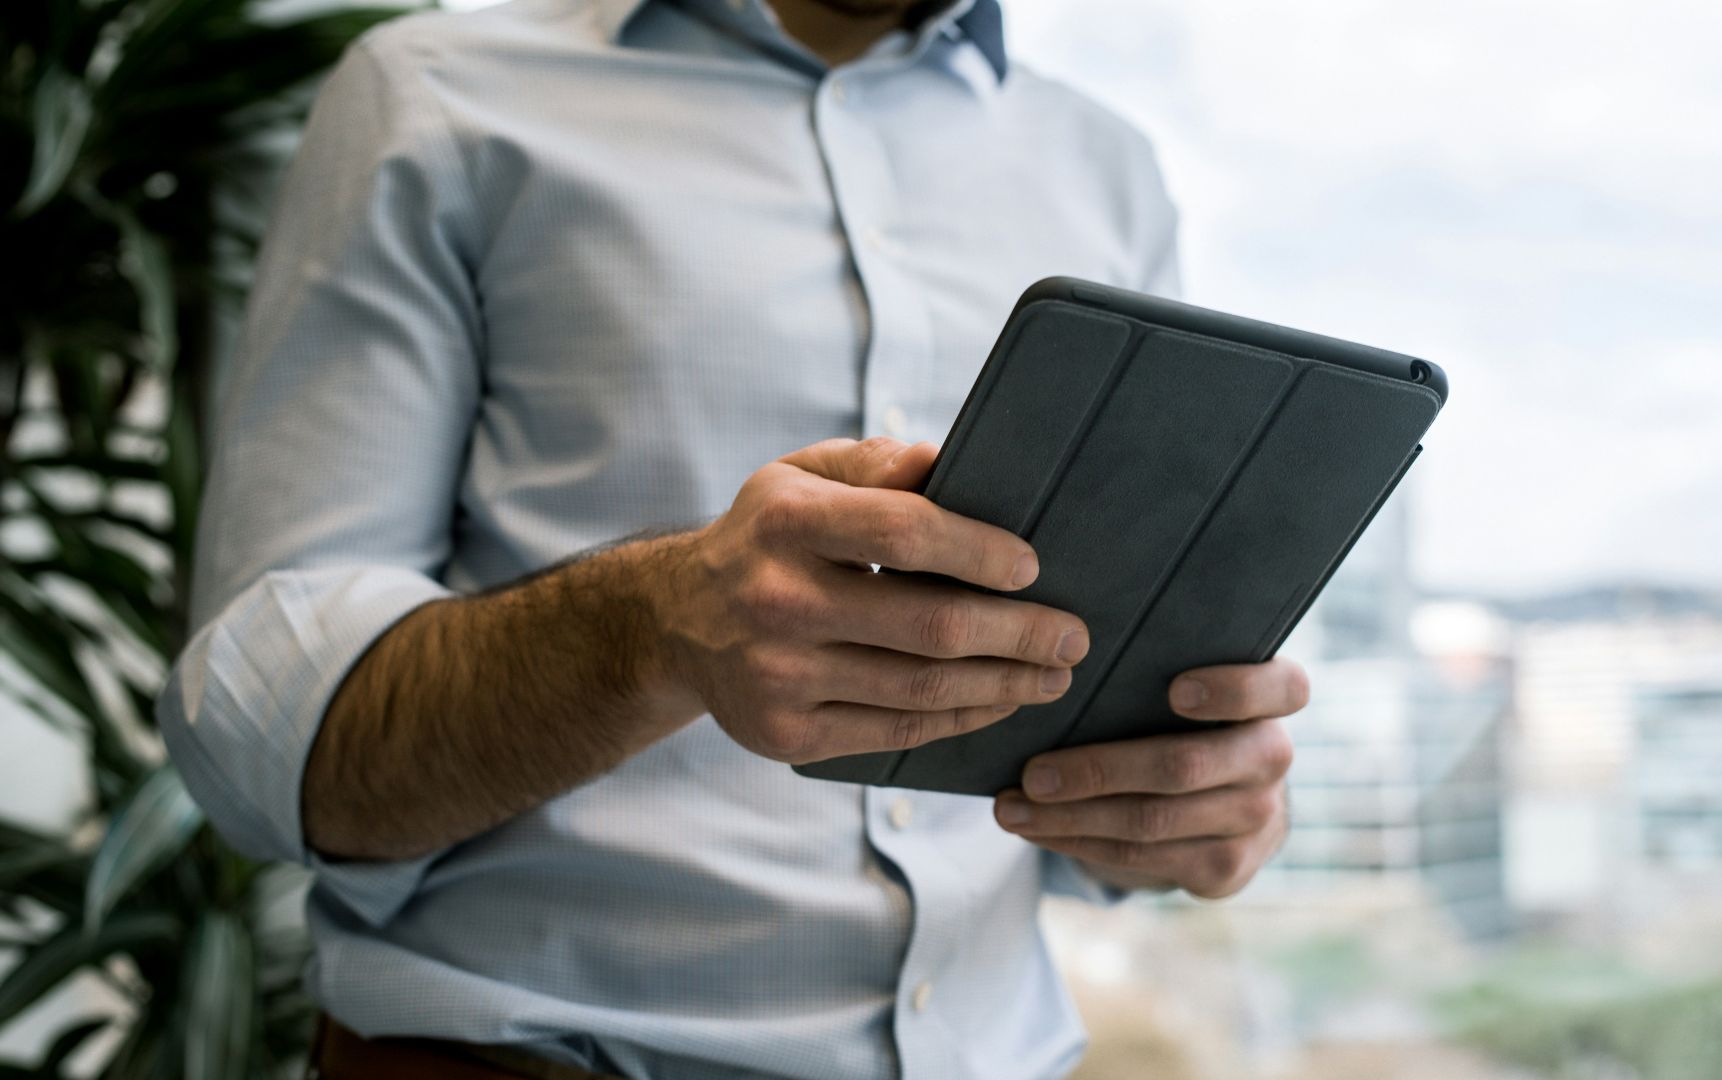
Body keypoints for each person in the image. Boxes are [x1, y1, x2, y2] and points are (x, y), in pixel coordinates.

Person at [159, 1, 1306, 1077]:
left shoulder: (1107, 169)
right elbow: (272, 752)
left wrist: (1179, 800)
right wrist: (655, 627)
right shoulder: (438, 94)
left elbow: (1093, 722)